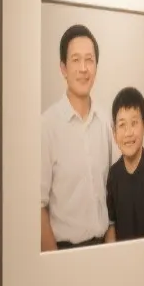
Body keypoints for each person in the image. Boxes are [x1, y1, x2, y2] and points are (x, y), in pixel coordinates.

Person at [40, 24, 115, 251]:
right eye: (75, 60)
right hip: (64, 252)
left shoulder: (106, 122)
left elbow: (113, 192)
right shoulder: (46, 125)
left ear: (96, 66)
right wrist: (54, 264)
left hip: (104, 249)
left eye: (89, 60)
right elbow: (37, 206)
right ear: (63, 68)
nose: (83, 68)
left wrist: (111, 247)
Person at [104, 86, 144, 242]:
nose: (128, 132)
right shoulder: (113, 175)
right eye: (122, 125)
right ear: (114, 133)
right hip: (121, 260)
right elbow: (111, 227)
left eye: (134, 123)